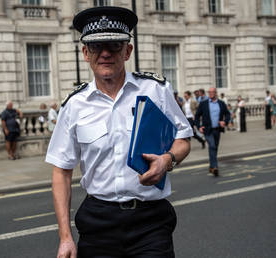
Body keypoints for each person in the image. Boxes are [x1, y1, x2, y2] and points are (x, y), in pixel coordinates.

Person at [46, 6, 193, 258]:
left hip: (150, 222)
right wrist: (65, 237)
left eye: (114, 45)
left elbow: (183, 138)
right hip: (98, 224)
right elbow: (61, 171)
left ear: (127, 51)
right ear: (85, 53)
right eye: (95, 46)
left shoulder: (156, 90)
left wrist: (167, 161)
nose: (105, 53)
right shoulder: (74, 105)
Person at [195, 87, 230, 176]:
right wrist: (199, 126)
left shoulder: (221, 103)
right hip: (207, 130)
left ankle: (211, 166)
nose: (210, 93)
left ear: (216, 93)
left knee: (214, 148)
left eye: (212, 92)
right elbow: (197, 116)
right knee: (212, 146)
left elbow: (227, 114)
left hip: (217, 130)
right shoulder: (204, 104)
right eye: (209, 92)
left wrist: (224, 122)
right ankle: (215, 167)